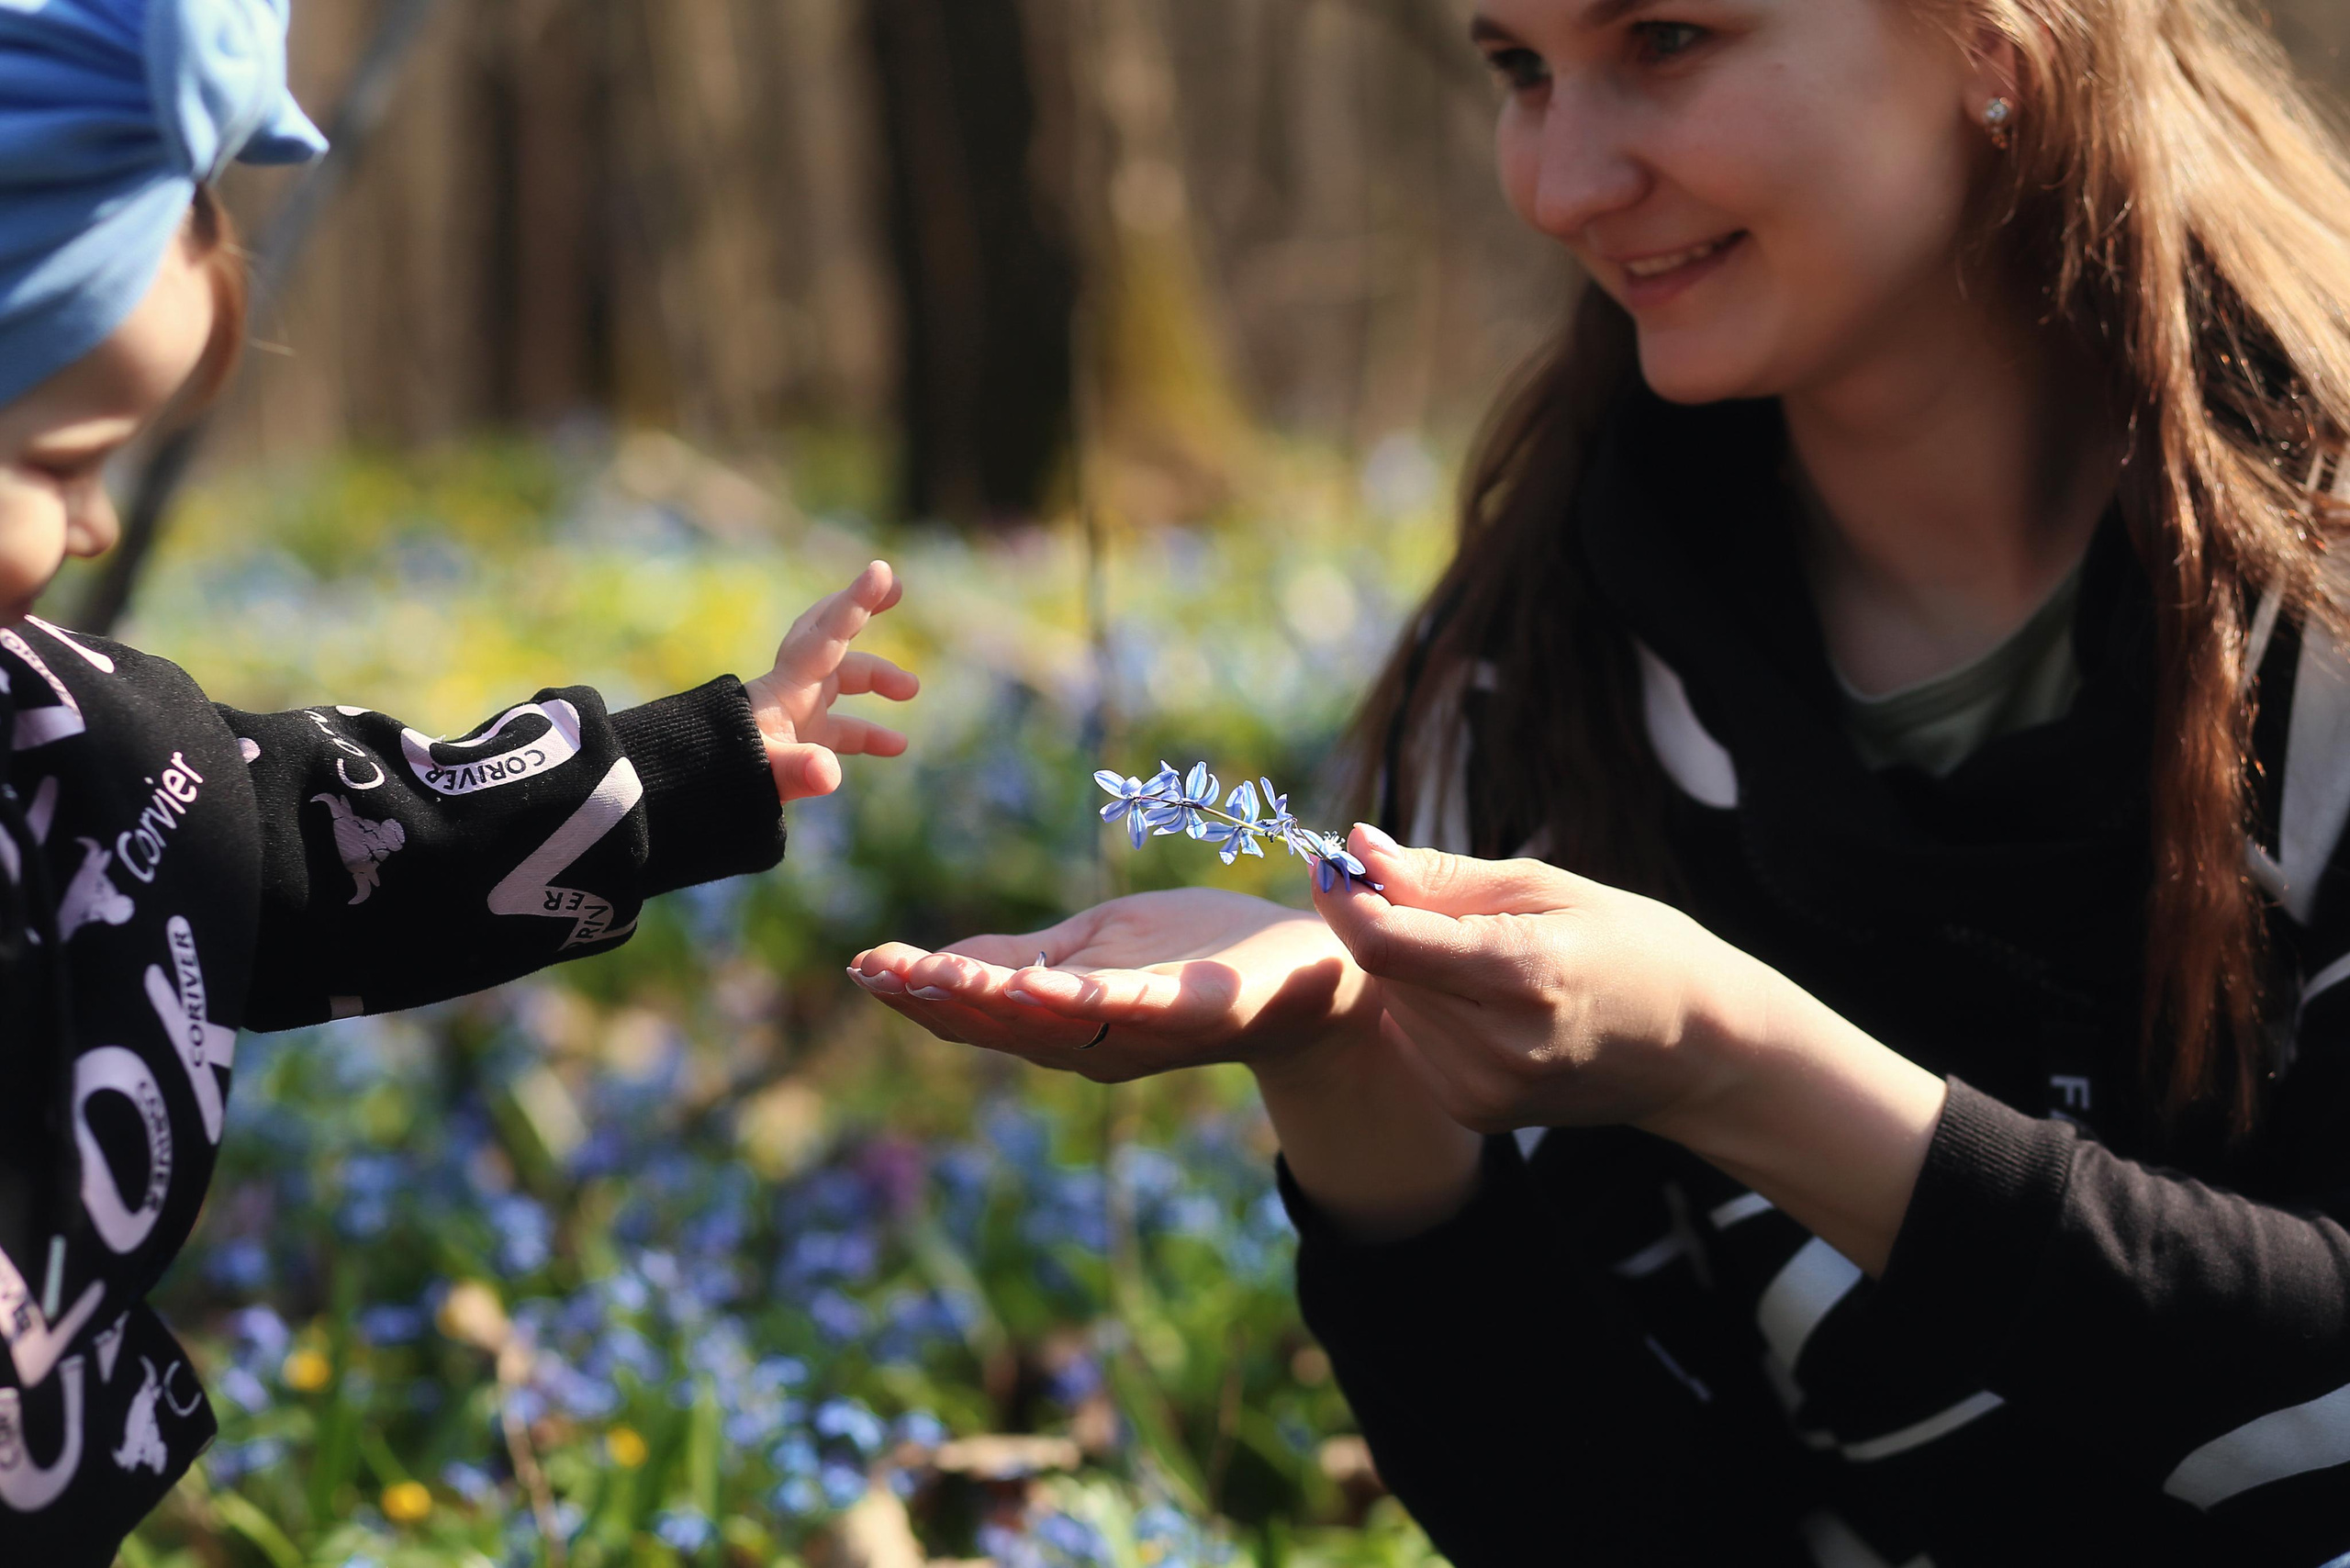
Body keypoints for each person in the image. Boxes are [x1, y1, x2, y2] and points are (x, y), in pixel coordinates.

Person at [850, 0, 2350, 1560]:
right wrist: (1353, 1067)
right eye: (1520, 68)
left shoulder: (2322, 622)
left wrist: (1730, 1062)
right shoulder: (1537, 690)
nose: (1562, 187)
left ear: (1991, 42)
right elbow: (1632, 1531)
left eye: (1667, 38)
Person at [0, 2, 917, 1559]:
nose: (93, 526)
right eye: (60, 462)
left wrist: (690, 766)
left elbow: (319, 837)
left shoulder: (58, 731)